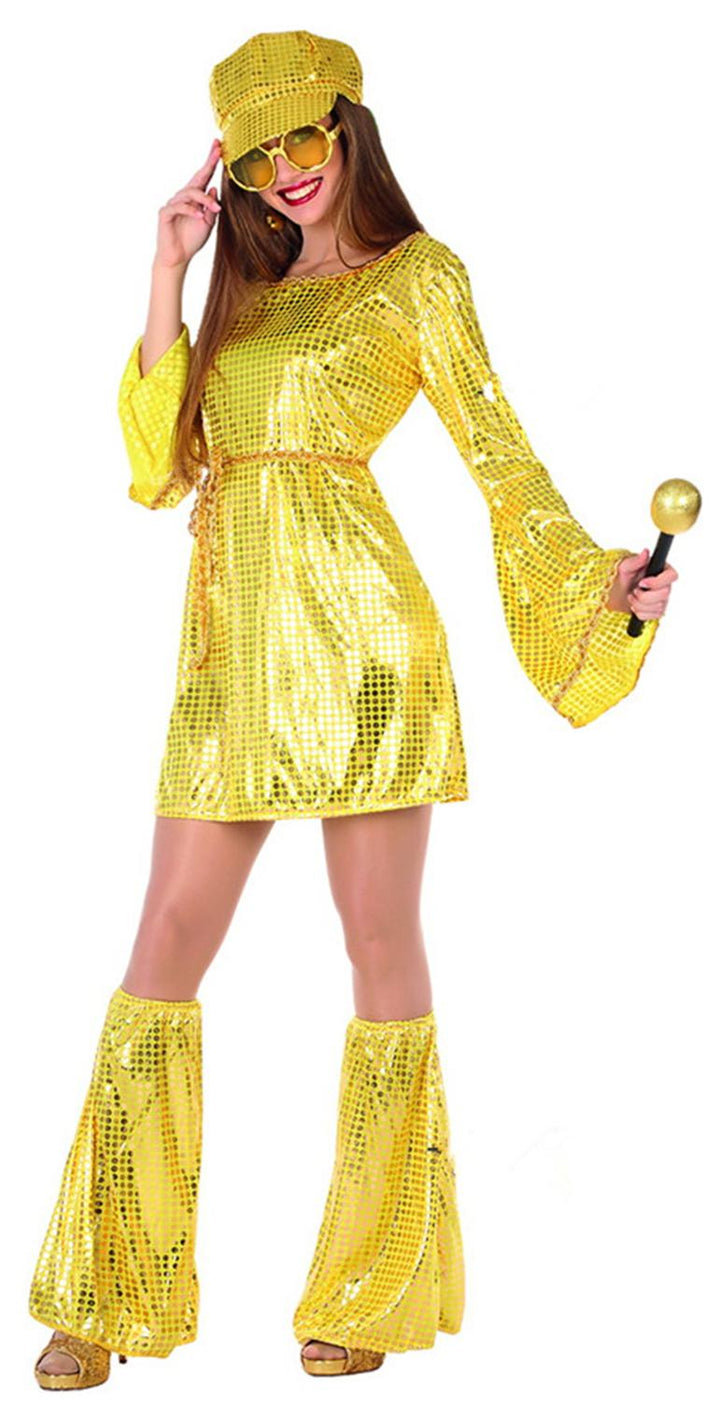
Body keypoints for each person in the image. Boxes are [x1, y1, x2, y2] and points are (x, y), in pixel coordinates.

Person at [29, 28, 678, 1388]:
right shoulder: (239, 293)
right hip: (230, 662)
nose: (286, 171)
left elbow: (502, 459)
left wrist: (598, 582)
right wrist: (168, 267)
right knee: (164, 939)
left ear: (346, 129)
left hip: (371, 651)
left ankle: (368, 1289)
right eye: (256, 155)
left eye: (303, 138)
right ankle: (109, 1286)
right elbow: (157, 468)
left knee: (379, 940)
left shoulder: (419, 277)